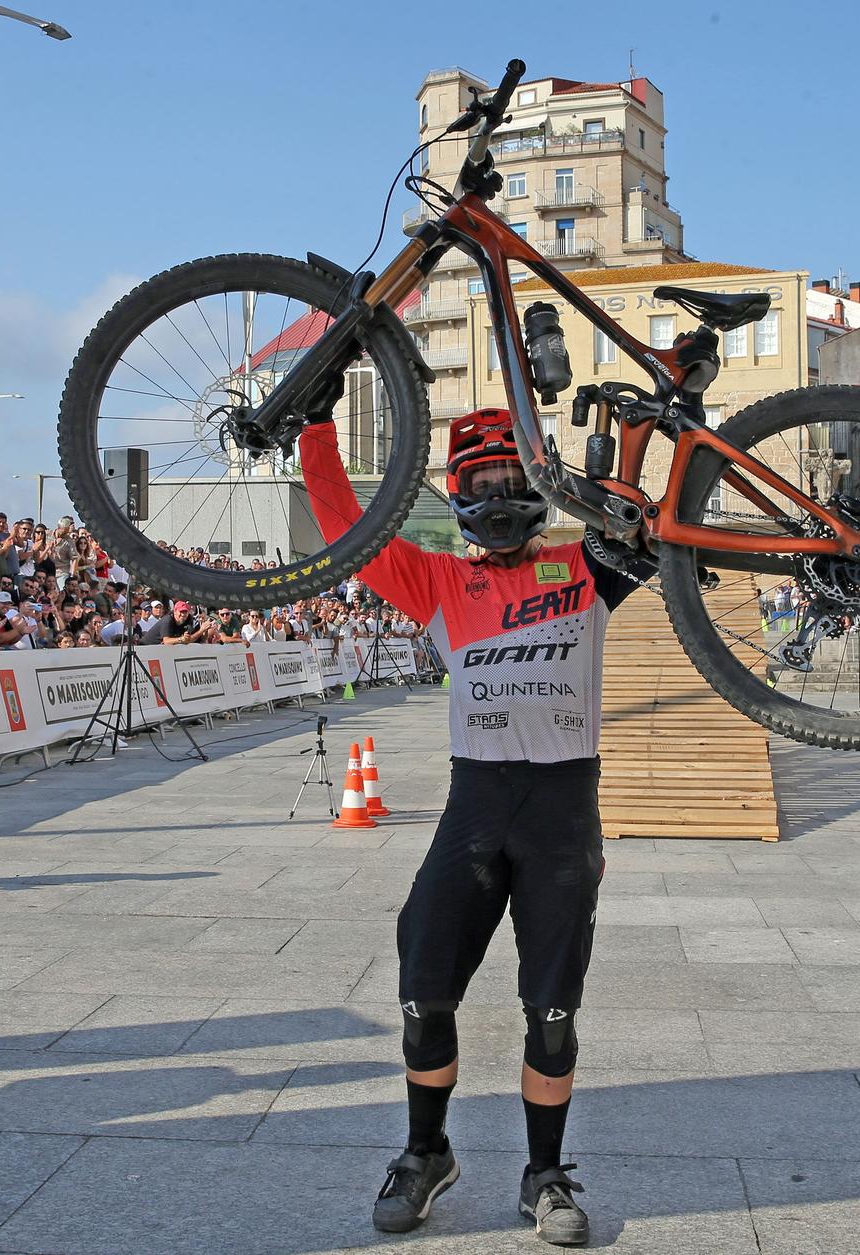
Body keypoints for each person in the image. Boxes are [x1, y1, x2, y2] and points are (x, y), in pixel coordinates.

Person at [302, 409, 636, 1245]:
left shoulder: (585, 563)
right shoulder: (439, 581)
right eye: (481, 483)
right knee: (423, 986)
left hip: (563, 812)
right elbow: (345, 527)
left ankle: (544, 1174)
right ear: (458, 494)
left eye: (512, 481)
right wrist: (316, 424)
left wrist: (659, 414)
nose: (497, 494)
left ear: (538, 487)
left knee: (552, 1010)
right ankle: (425, 1153)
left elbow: (640, 512)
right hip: (475, 808)